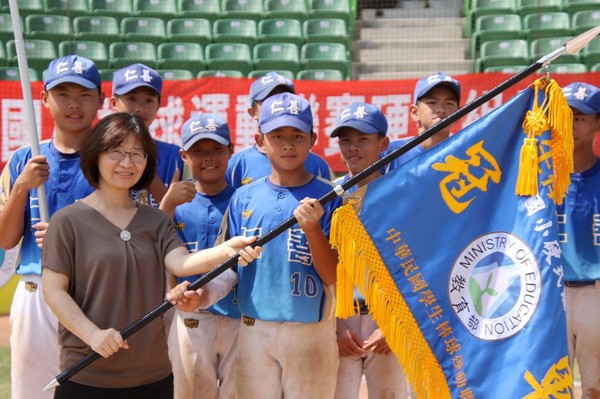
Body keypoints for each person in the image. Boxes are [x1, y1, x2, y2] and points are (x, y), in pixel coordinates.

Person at [41, 112, 261, 399]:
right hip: (87, 375)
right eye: (116, 152)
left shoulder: (155, 221)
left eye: (137, 154)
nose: (127, 163)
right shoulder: (67, 221)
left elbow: (181, 263)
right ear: (96, 155)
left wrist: (226, 250)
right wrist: (93, 334)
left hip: (153, 377)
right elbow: (53, 290)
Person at [168, 92, 343, 398]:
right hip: (252, 329)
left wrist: (313, 230)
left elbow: (334, 276)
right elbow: (230, 269)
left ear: (313, 139)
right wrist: (203, 295)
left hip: (311, 332)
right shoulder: (243, 198)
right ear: (260, 141)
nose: (288, 144)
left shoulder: (330, 197)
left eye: (297, 135)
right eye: (277, 135)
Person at [0, 55, 104, 399]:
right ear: (43, 99)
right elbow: (6, 237)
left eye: (84, 94)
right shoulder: (23, 160)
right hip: (36, 292)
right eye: (62, 93)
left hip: (94, 292)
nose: (73, 104)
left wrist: (68, 237)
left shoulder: (113, 159)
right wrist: (21, 187)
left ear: (101, 100)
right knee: (32, 393)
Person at [329, 102, 411, 399]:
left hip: (388, 316)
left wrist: (396, 323)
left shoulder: (401, 194)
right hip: (342, 318)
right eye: (346, 140)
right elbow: (324, 264)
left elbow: (412, 264)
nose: (353, 147)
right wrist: (335, 325)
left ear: (383, 143)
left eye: (363, 139)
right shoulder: (329, 196)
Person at [159, 113, 239, 398]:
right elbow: (154, 253)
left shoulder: (243, 199)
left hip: (237, 316)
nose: (208, 158)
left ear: (231, 150)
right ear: (184, 155)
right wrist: (167, 204)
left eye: (216, 149)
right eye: (198, 151)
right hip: (190, 316)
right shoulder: (176, 204)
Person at [558, 82, 600, 398]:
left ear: (598, 122)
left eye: (580, 117)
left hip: (596, 294)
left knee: (595, 388)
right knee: (550, 387)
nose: (570, 124)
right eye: (564, 115)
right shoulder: (538, 175)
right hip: (551, 295)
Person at [226, 71, 333, 188]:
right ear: (253, 112)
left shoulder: (317, 165)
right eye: (269, 99)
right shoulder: (237, 164)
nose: (279, 103)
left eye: (285, 97)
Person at [110, 63, 183, 206]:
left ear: (158, 106)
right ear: (114, 103)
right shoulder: (101, 153)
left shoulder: (175, 156)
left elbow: (181, 217)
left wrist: (149, 174)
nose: (141, 108)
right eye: (131, 99)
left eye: (149, 100)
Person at [381, 72, 461, 172]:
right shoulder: (390, 152)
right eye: (432, 102)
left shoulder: (465, 153)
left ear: (459, 113)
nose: (441, 109)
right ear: (415, 112)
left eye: (449, 103)